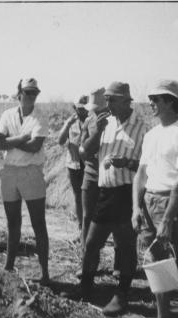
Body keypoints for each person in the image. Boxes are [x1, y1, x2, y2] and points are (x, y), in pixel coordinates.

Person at [132, 80, 178, 318]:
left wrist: (167, 219)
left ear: (170, 101)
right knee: (158, 268)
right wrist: (135, 208)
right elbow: (141, 175)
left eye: (156, 98)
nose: (150, 102)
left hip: (171, 203)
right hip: (148, 202)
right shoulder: (152, 134)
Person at [78, 82, 147, 315]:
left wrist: (127, 163)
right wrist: (97, 132)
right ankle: (85, 286)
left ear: (126, 101)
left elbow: (148, 168)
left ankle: (122, 294)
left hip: (127, 193)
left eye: (111, 100)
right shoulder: (105, 124)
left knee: (126, 247)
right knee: (91, 243)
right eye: (105, 99)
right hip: (105, 193)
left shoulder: (141, 128)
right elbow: (85, 152)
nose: (107, 105)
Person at [0, 78, 50, 285]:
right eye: (27, 92)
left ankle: (44, 274)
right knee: (13, 223)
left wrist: (10, 142)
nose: (31, 96)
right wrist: (20, 139)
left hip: (31, 172)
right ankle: (8, 267)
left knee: (38, 224)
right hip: (9, 172)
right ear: (19, 94)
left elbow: (35, 146)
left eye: (34, 92)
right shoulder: (7, 114)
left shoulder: (40, 117)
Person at [78, 88, 120, 277]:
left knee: (116, 221)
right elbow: (83, 150)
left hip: (111, 177)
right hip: (91, 174)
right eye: (93, 109)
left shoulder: (117, 121)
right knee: (87, 219)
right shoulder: (89, 121)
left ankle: (119, 264)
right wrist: (98, 131)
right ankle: (86, 261)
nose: (96, 112)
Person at [57, 95, 88, 231]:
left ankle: (89, 225)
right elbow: (60, 141)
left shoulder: (92, 121)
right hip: (74, 164)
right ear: (74, 108)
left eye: (83, 108)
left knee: (90, 196)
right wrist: (67, 124)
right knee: (78, 196)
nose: (80, 111)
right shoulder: (71, 122)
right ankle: (81, 226)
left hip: (88, 165)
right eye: (78, 108)